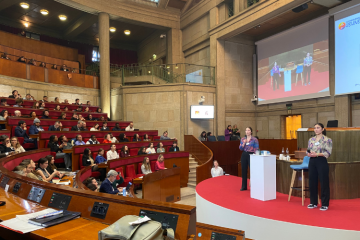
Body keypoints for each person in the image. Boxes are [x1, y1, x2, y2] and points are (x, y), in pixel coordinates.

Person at [306, 123, 332, 211]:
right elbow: (308, 150)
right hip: (312, 161)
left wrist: (316, 154)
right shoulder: (311, 139)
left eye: (318, 128)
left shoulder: (327, 140)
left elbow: (328, 153)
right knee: (312, 182)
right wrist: (308, 154)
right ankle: (313, 202)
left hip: (321, 161)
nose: (316, 129)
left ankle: (325, 204)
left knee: (324, 182)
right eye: (315, 128)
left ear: (322, 129)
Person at [239, 127, 259, 191]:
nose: (247, 131)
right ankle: (244, 186)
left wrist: (256, 156)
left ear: (251, 132)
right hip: (244, 154)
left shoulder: (254, 139)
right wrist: (244, 143)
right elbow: (240, 148)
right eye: (246, 130)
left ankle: (254, 186)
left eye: (249, 130)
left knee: (252, 171)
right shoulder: (242, 139)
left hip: (251, 155)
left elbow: (256, 149)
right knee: (244, 170)